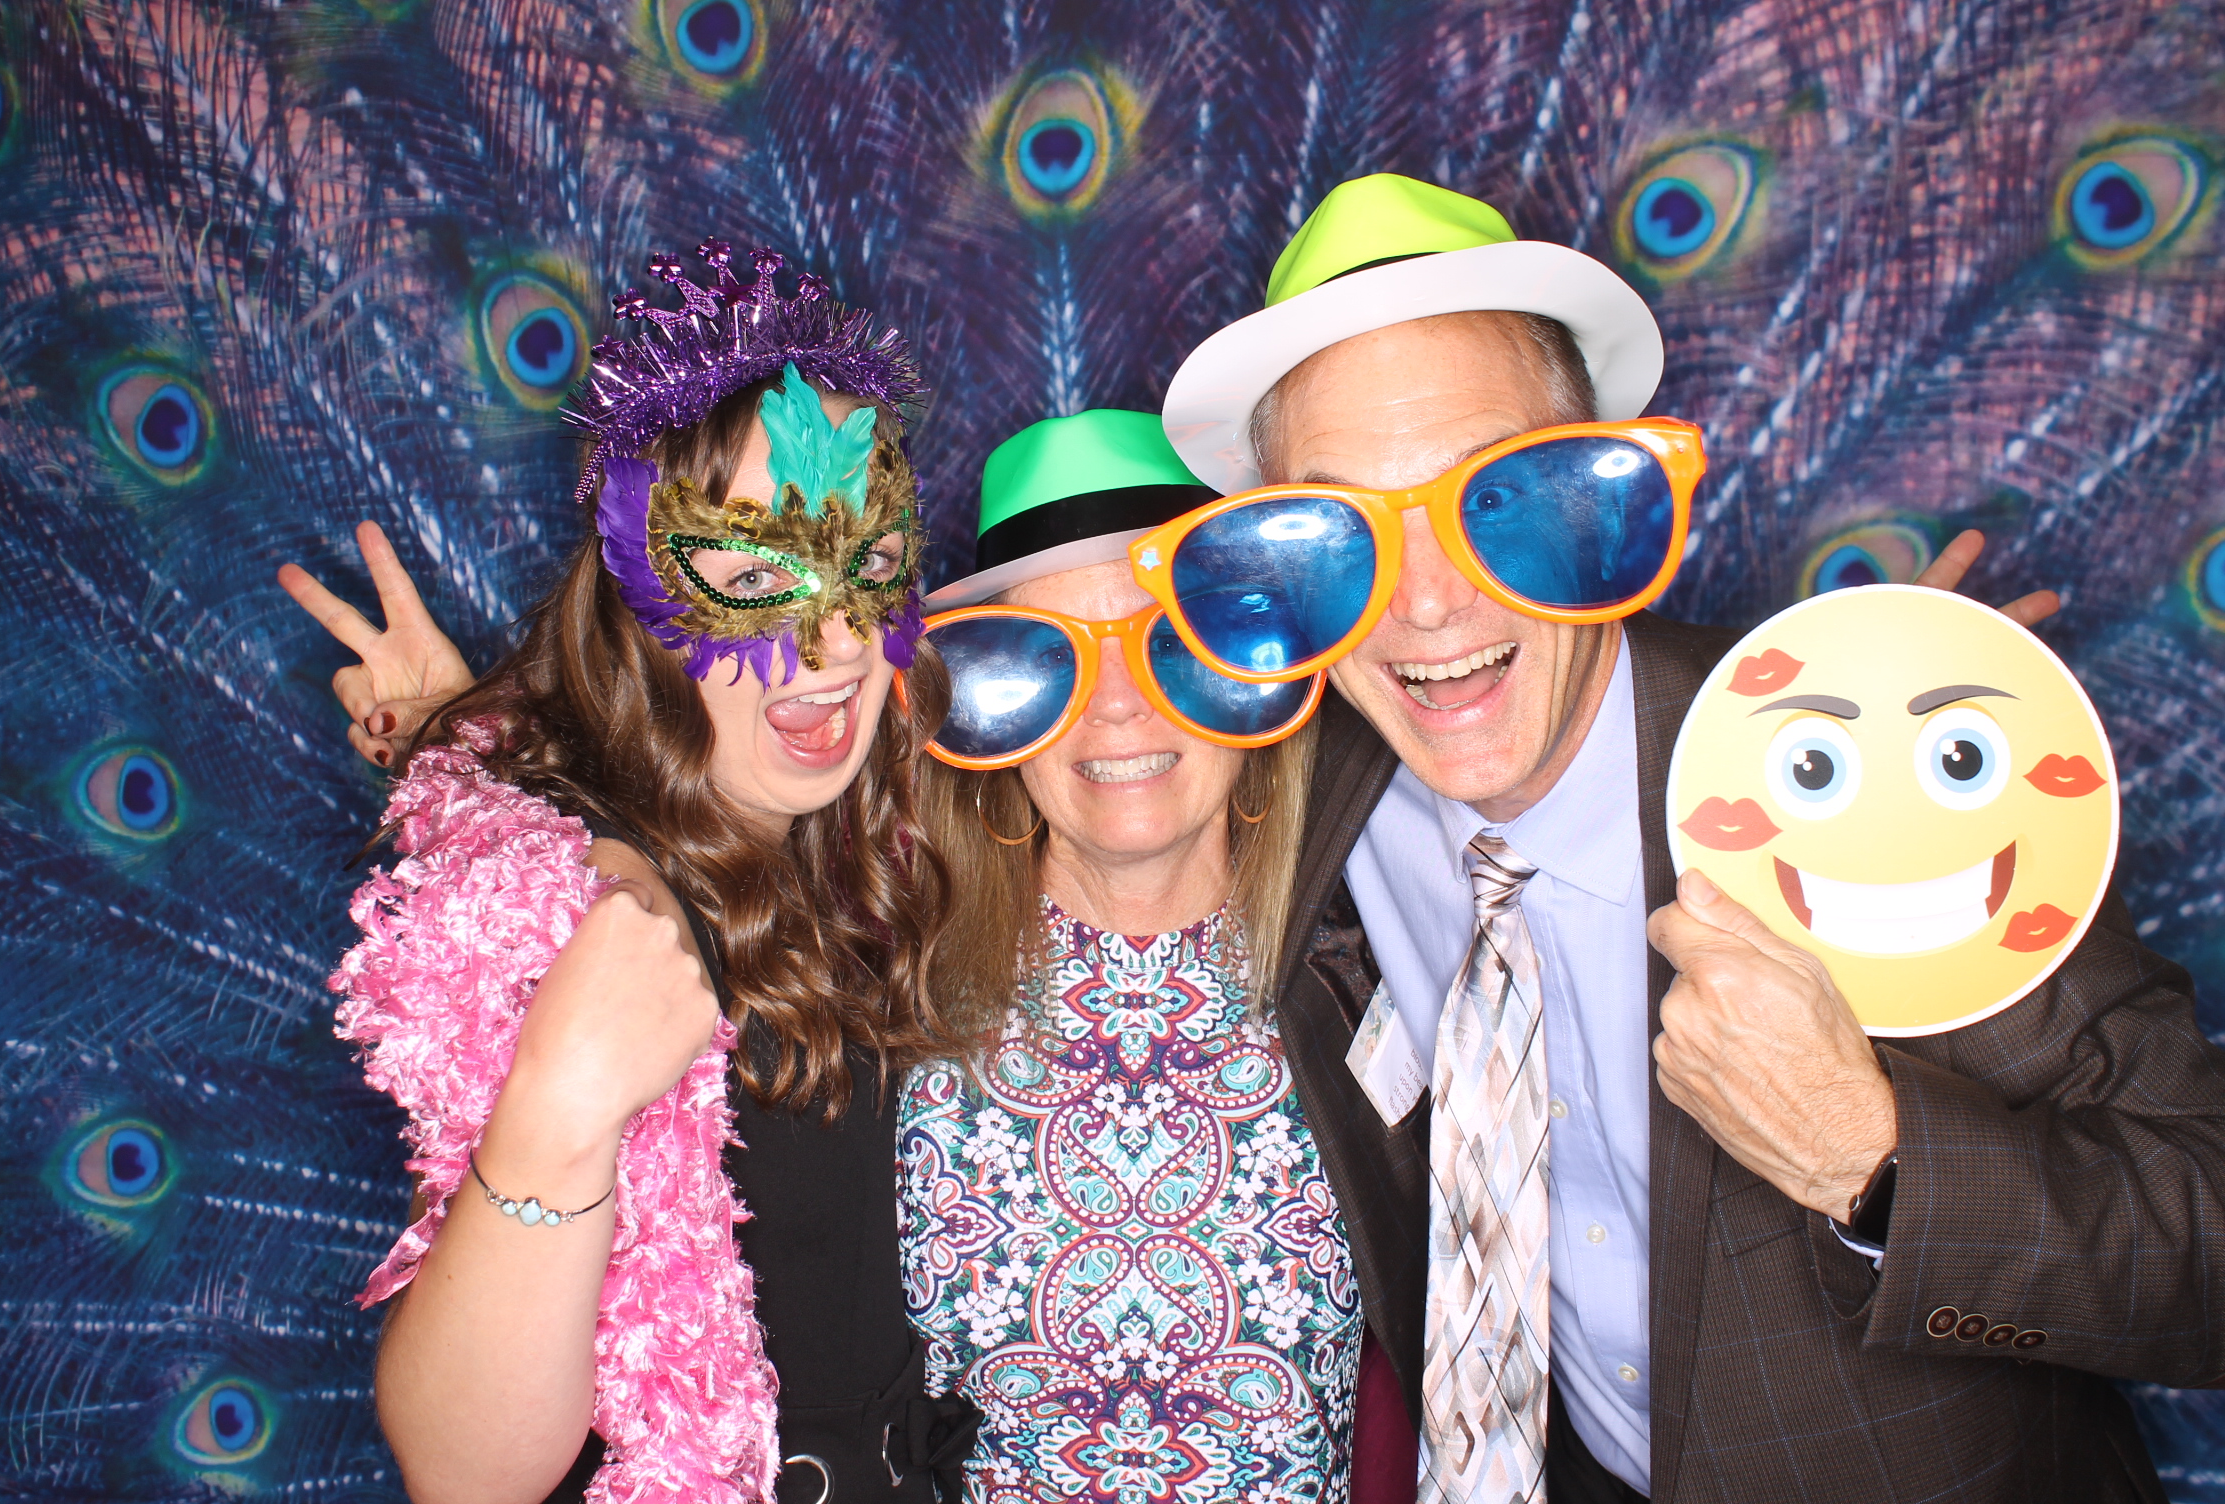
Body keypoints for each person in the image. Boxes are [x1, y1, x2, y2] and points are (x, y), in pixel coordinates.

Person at [1146, 172, 2225, 1502]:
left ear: (1599, 493)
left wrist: (1876, 1159)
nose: (1422, 605)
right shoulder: (1320, 787)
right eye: (1340, 529)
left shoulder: (1868, 784)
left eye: (1499, 497)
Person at [282, 243, 973, 1504]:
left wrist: (460, 739)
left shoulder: (851, 825)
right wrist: (559, 1101)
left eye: (867, 564)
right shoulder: (589, 914)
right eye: (752, 575)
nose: (832, 642)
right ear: (643, 600)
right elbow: (464, 1473)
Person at [899, 409, 1361, 1501]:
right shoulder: (895, 986)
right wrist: (459, 756)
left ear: (1246, 668)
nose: (1115, 707)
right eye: (1045, 657)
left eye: (1166, 643)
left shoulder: (1376, 960)